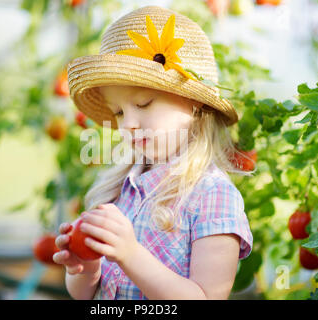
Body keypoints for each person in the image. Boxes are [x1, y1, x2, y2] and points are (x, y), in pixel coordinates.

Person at [53, 5, 254, 300]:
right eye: (119, 112)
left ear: (195, 104)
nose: (130, 124)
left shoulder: (212, 196)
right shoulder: (119, 189)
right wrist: (85, 266)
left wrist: (131, 255)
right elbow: (85, 294)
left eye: (145, 103)